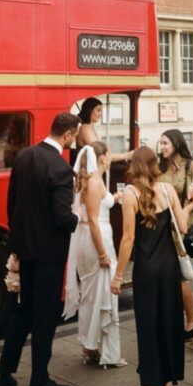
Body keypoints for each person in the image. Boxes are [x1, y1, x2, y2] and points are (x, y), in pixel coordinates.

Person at [0, 112, 81, 386]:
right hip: (49, 255)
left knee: (22, 310)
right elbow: (62, 217)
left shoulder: (25, 156)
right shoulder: (62, 169)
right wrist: (79, 218)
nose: (73, 141)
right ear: (67, 135)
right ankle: (39, 382)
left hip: (25, 248)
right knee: (44, 316)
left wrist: (16, 244)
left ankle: (3, 373)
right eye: (74, 136)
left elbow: (12, 203)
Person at [111, 147, 193, 386]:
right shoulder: (167, 190)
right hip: (169, 269)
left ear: (134, 167)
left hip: (147, 271)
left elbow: (128, 239)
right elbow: (183, 228)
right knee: (169, 325)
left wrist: (118, 275)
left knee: (148, 329)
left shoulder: (130, 194)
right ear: (154, 166)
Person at [63, 141, 127, 368]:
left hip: (93, 237)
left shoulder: (93, 181)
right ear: (102, 158)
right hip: (96, 240)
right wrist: (102, 254)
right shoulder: (93, 182)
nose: (111, 158)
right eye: (109, 155)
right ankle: (102, 350)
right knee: (101, 293)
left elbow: (98, 207)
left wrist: (115, 198)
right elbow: (92, 221)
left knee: (94, 294)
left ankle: (91, 346)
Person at [158, 129, 193, 339]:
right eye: (160, 143)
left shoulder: (190, 166)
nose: (162, 147)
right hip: (165, 226)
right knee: (170, 275)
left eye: (165, 143)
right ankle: (183, 318)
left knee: (179, 275)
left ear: (176, 144)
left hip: (184, 227)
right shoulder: (161, 168)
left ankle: (192, 319)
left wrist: (185, 210)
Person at [73, 97, 132, 163]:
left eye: (101, 111)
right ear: (89, 110)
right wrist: (127, 155)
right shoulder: (85, 128)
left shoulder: (89, 127)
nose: (100, 114)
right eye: (98, 110)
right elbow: (100, 153)